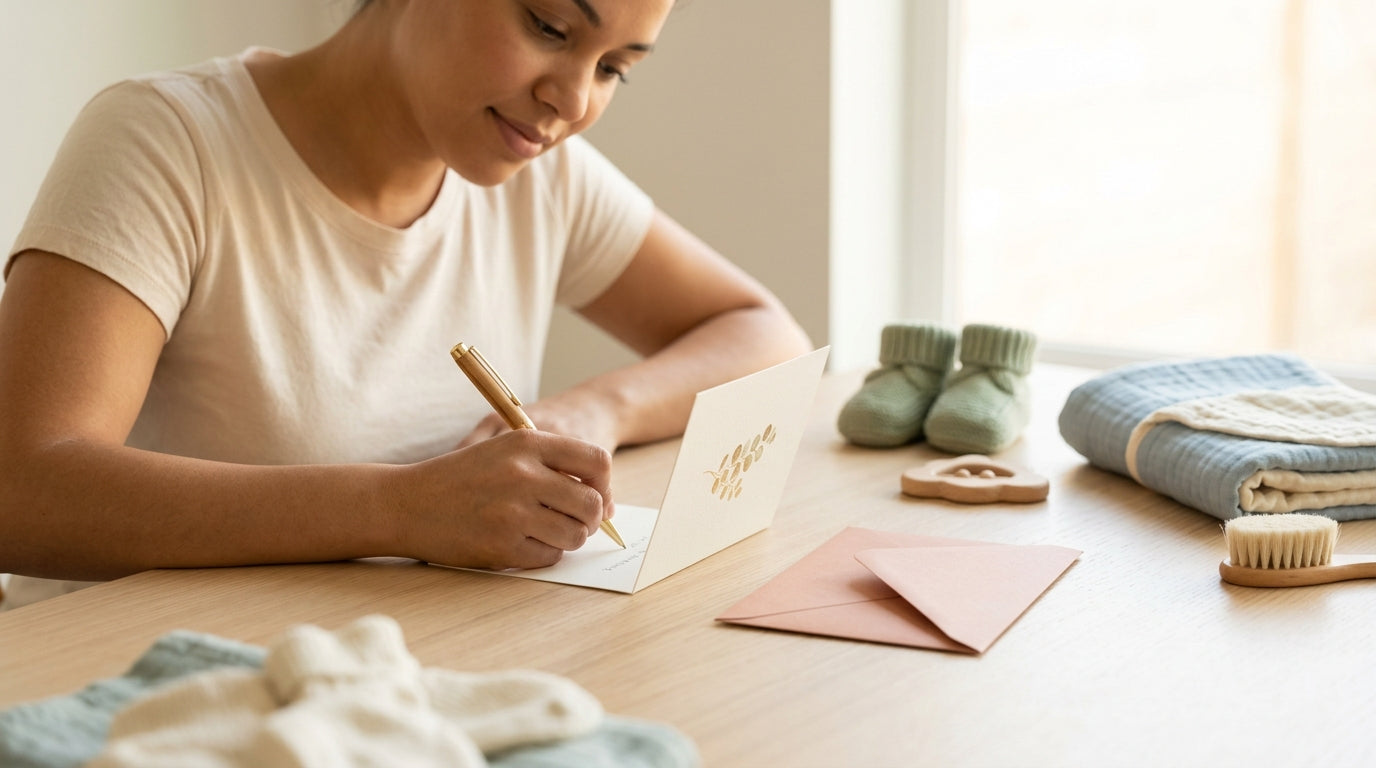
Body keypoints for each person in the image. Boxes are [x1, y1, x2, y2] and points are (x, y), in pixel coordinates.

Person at [0, 0, 811, 608]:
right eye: (550, 27)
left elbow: (763, 332)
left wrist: (594, 411)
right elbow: (22, 489)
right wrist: (400, 509)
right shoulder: (167, 142)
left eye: (613, 68)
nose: (571, 99)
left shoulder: (540, 176)